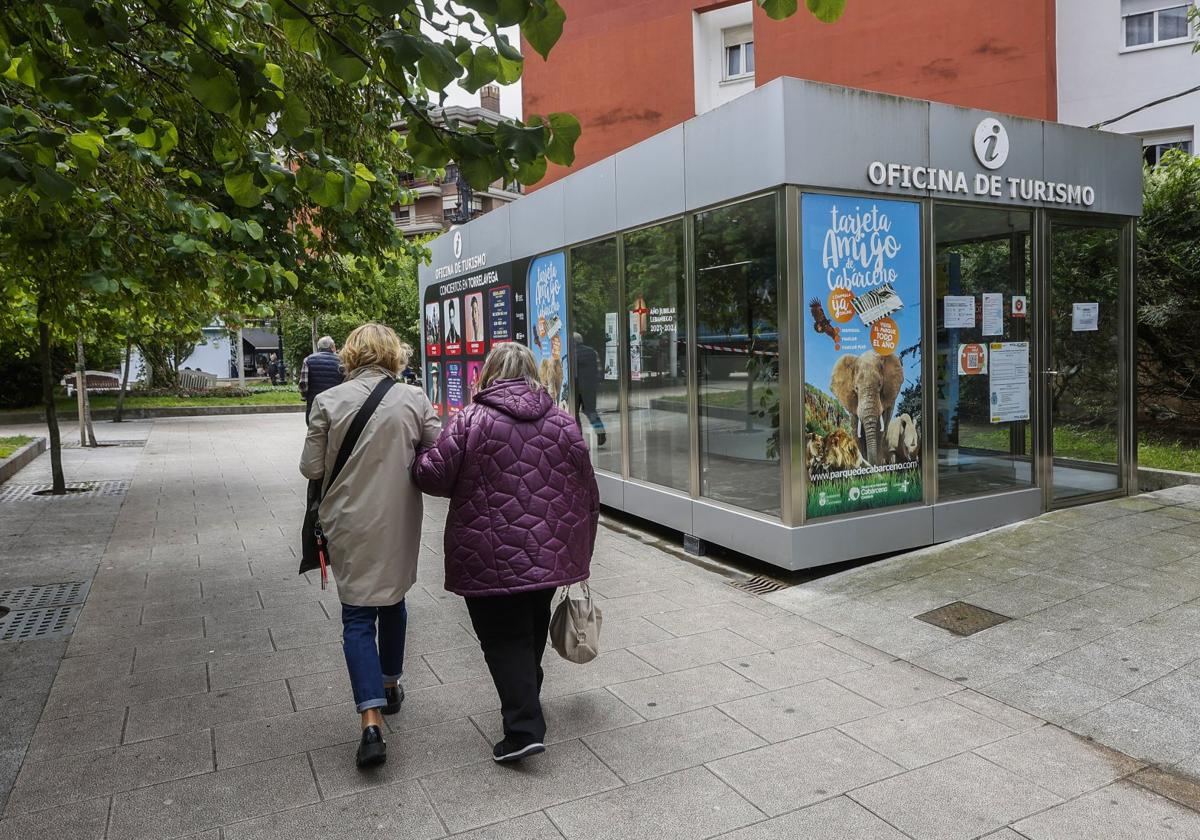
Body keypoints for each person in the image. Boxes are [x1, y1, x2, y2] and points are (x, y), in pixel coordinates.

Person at [413, 342, 599, 764]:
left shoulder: (470, 420)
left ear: (489, 372)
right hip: (550, 550)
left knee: (502, 637)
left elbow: (432, 476)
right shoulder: (562, 421)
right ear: (532, 371)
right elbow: (588, 490)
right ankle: (527, 695)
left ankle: (523, 730)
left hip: (488, 552)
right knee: (531, 624)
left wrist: (419, 451)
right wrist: (582, 549)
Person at [299, 324, 440, 769]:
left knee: (357, 615)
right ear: (394, 355)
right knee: (394, 599)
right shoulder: (414, 398)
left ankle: (371, 721)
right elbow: (438, 453)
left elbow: (311, 468)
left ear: (350, 356)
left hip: (346, 523)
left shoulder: (327, 402)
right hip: (398, 520)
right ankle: (391, 682)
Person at [572, 332, 606, 446]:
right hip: (590, 387)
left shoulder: (572, 353)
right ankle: (600, 432)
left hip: (575, 388)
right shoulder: (593, 352)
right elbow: (599, 369)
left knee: (574, 414)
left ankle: (579, 438)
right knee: (591, 411)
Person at [299, 336, 345, 421]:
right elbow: (345, 381)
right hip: (335, 403)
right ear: (332, 347)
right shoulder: (341, 361)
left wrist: (305, 396)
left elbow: (303, 383)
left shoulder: (308, 360)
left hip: (314, 403)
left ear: (319, 347)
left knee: (314, 428)